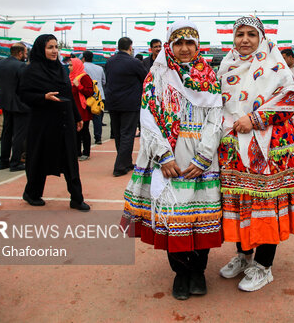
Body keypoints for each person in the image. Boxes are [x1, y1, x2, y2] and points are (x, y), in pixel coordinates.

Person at [123, 21, 223, 301]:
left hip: (202, 157)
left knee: (201, 217)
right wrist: (163, 155)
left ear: (198, 46)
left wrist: (204, 156)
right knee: (174, 216)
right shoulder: (157, 76)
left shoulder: (210, 78)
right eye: (178, 43)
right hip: (168, 157)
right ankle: (181, 273)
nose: (184, 49)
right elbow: (148, 117)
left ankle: (199, 271)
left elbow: (216, 117)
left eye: (190, 43)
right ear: (169, 46)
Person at [217, 16, 294, 292]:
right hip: (234, 149)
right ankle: (244, 256)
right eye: (240, 34)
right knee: (240, 202)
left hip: (269, 150)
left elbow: (289, 99)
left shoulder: (274, 65)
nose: (244, 40)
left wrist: (256, 118)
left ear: (261, 38)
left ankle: (263, 266)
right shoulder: (227, 65)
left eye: (251, 34)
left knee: (266, 204)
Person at [18, 34, 90, 211]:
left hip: (64, 121)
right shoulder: (31, 71)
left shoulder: (60, 69)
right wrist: (43, 97)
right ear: (41, 49)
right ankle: (32, 193)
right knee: (38, 160)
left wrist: (77, 116)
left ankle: (76, 198)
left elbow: (68, 95)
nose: (54, 51)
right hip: (43, 123)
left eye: (56, 47)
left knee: (70, 160)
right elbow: (23, 95)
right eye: (50, 47)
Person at [105, 37, 147, 176]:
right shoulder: (134, 62)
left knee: (118, 134)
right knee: (127, 134)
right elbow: (145, 79)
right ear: (130, 47)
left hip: (113, 103)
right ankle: (120, 166)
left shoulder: (109, 62)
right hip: (129, 103)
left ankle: (126, 161)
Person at [0, 43, 30, 171]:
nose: (25, 56)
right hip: (20, 103)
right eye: (25, 53)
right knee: (19, 134)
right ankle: (15, 162)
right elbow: (24, 85)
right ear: (20, 53)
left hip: (4, 102)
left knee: (6, 132)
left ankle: (3, 161)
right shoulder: (21, 66)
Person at [68, 58, 94, 161]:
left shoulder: (84, 77)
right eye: (69, 65)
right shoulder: (70, 77)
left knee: (84, 131)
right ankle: (77, 151)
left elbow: (90, 92)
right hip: (73, 109)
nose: (69, 67)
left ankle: (86, 152)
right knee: (75, 132)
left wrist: (79, 86)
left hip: (82, 109)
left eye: (71, 65)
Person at [82, 51, 106, 145]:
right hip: (99, 96)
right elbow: (104, 82)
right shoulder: (99, 68)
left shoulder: (82, 67)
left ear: (83, 58)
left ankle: (84, 137)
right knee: (98, 118)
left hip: (87, 97)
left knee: (85, 119)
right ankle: (98, 137)